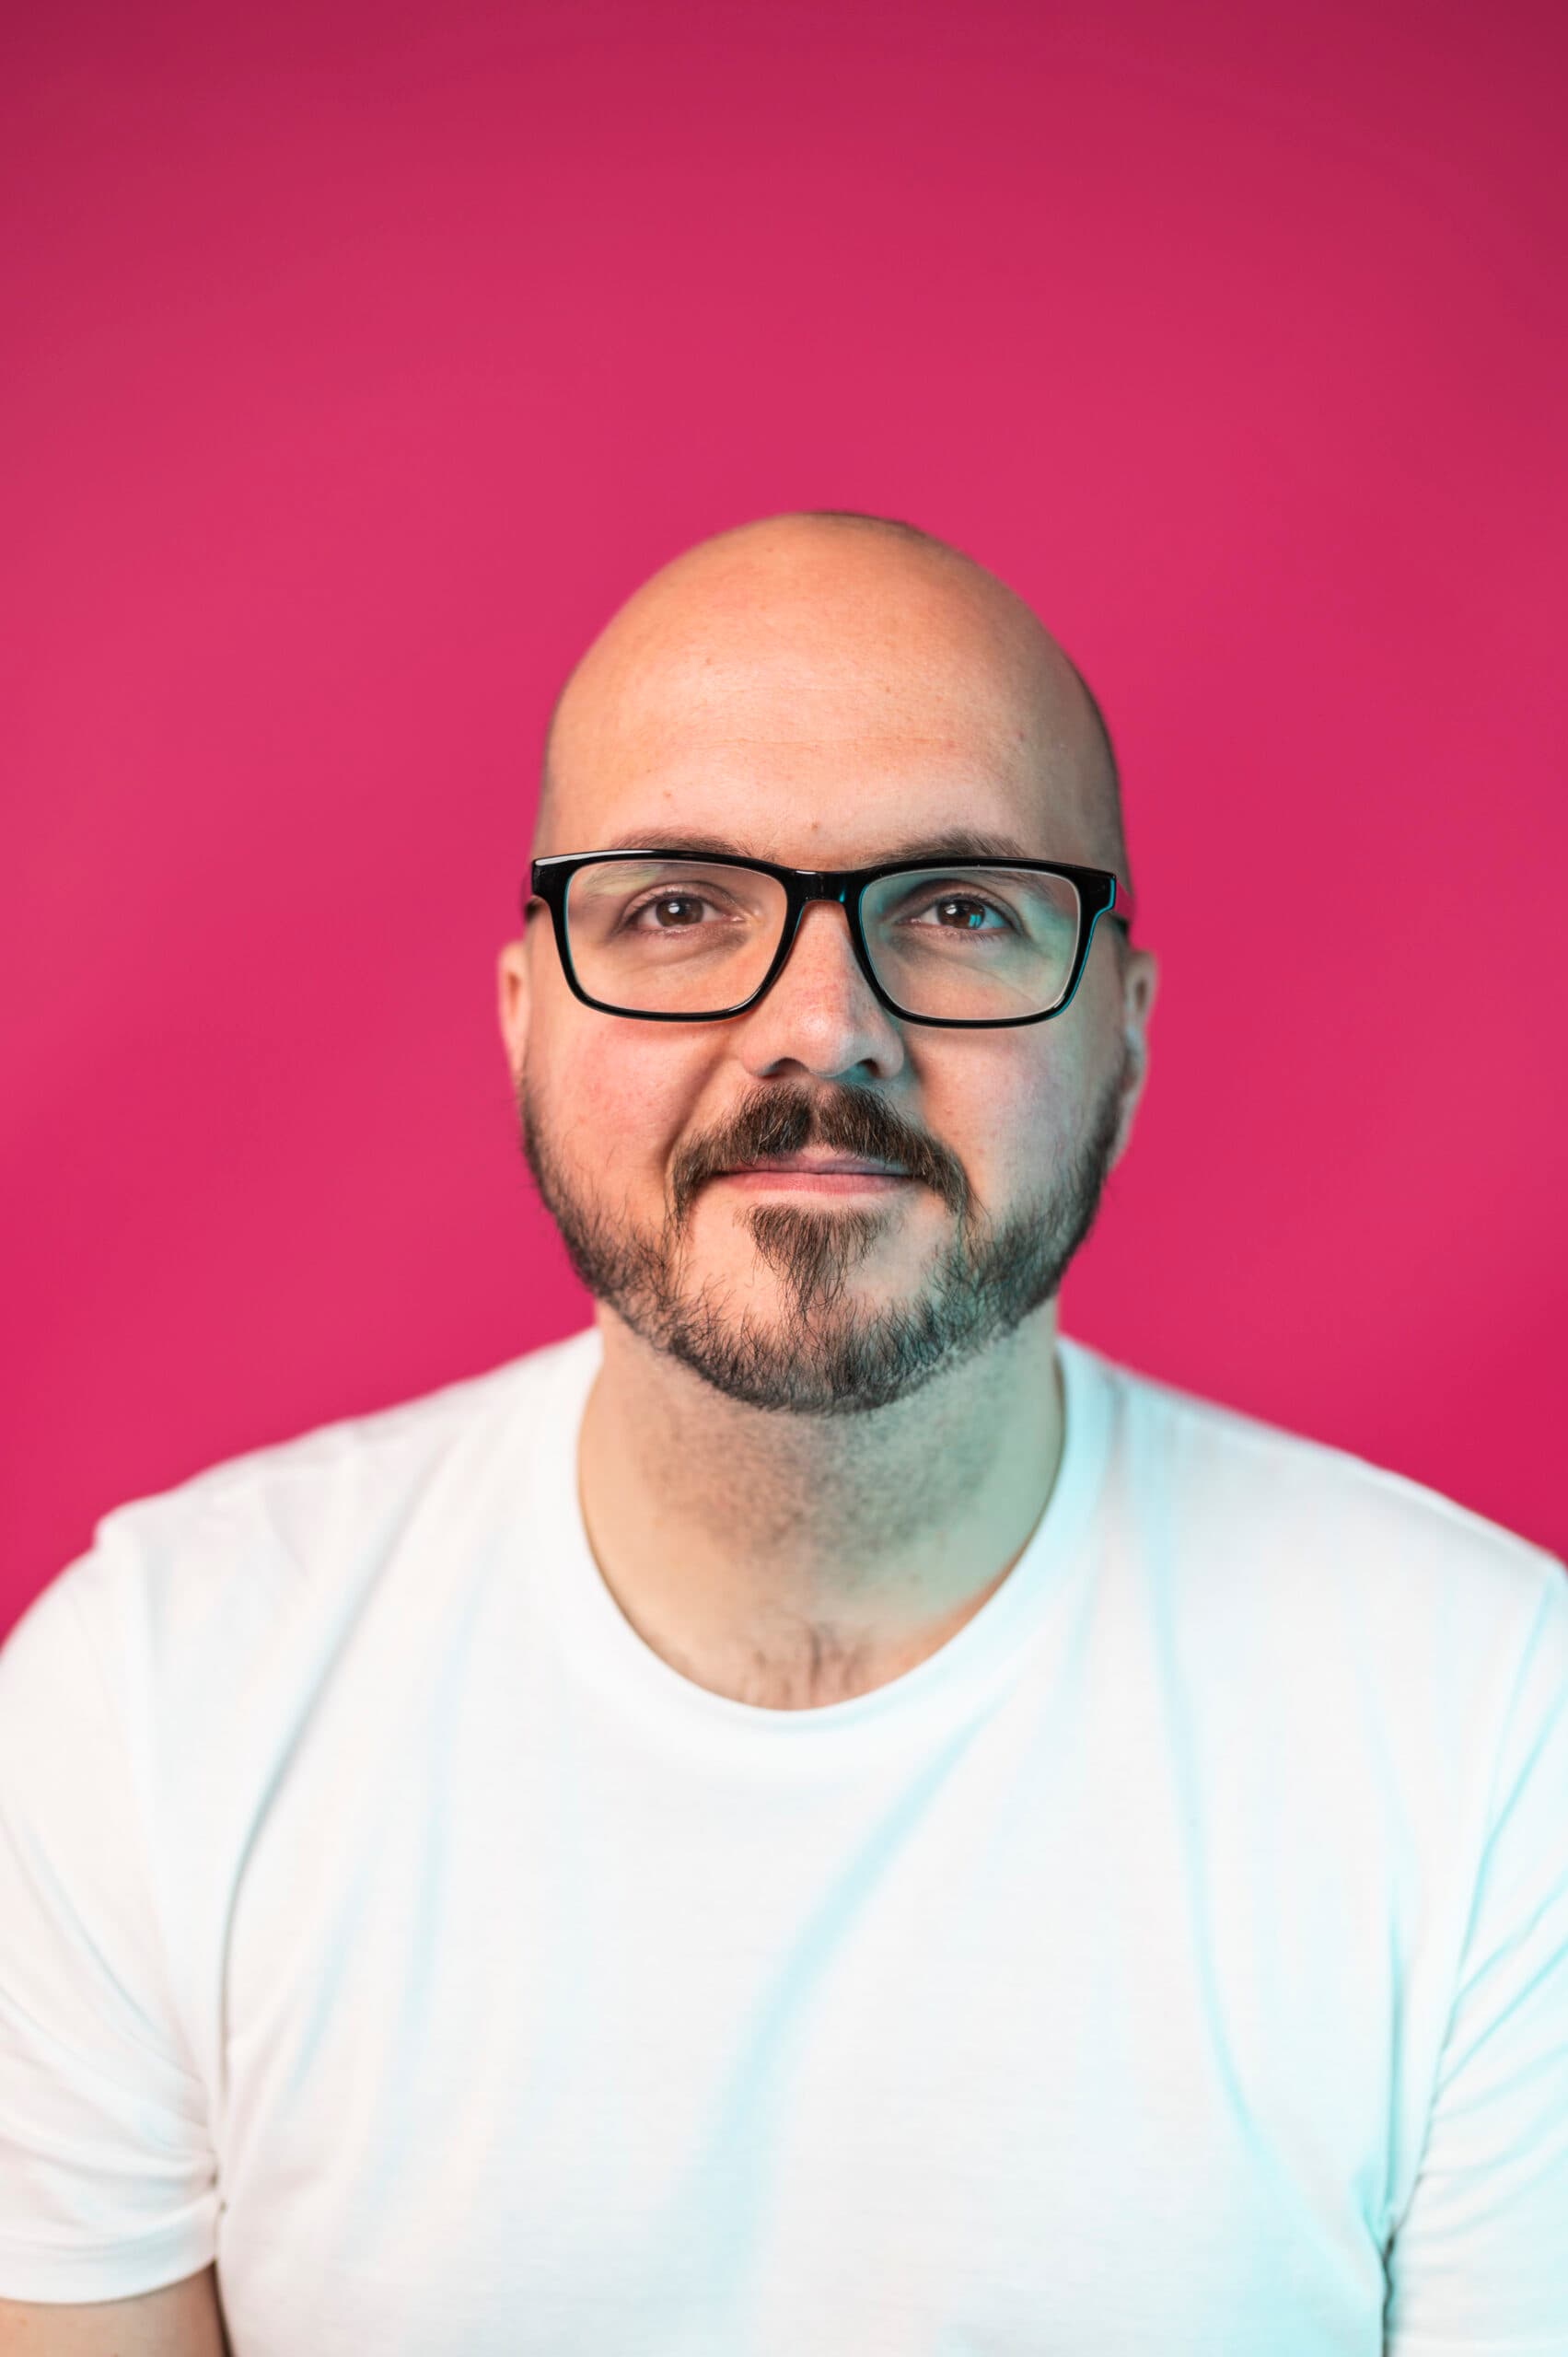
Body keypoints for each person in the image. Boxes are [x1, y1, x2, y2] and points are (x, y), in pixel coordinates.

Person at [1, 511, 1563, 2357]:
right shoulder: (151, 1701)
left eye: (963, 910)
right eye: (677, 905)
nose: (821, 1027)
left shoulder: (1492, 1734)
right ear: (521, 1021)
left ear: (1124, 1044)